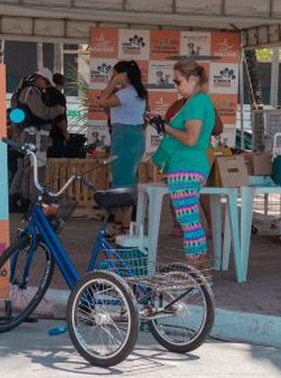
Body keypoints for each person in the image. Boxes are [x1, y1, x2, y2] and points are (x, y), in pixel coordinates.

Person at [148, 58, 215, 265]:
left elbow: (190, 139)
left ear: (192, 79)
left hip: (187, 167)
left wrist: (164, 126)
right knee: (190, 224)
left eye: (178, 82)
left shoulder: (197, 103)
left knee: (190, 225)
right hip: (188, 166)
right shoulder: (197, 102)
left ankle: (198, 276)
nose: (176, 87)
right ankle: (198, 276)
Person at [8, 68, 66, 210]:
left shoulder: (23, 93)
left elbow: (17, 117)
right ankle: (34, 203)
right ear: (40, 79)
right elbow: (41, 112)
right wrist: (58, 110)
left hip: (28, 135)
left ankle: (25, 200)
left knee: (27, 169)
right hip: (36, 136)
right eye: (46, 83)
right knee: (37, 170)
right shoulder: (32, 92)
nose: (46, 87)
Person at [90, 60, 147, 189]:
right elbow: (112, 113)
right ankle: (129, 206)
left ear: (124, 75)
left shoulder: (127, 93)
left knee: (122, 179)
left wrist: (114, 82)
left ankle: (122, 207)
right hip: (129, 136)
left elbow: (102, 101)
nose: (112, 78)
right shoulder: (132, 92)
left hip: (126, 138)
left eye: (115, 74)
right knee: (126, 176)